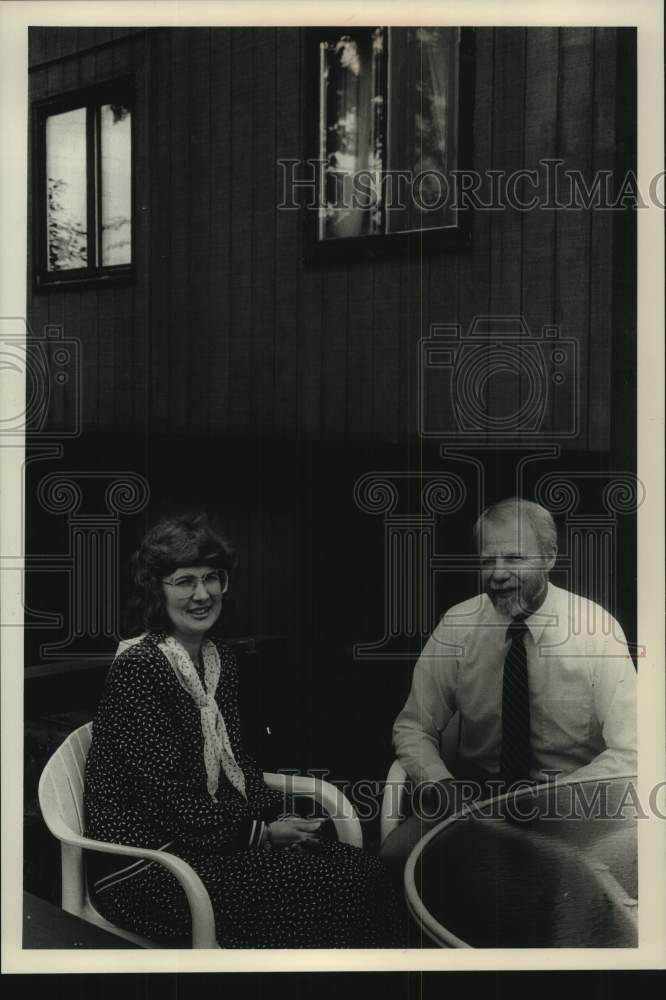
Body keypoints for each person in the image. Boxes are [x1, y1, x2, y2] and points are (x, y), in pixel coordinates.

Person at [84, 512, 403, 947]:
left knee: (367, 872)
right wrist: (262, 834)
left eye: (212, 578)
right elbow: (170, 803)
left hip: (207, 848)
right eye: (184, 581)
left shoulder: (219, 661)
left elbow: (239, 762)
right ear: (156, 589)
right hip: (148, 868)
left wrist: (275, 815)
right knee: (336, 889)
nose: (202, 594)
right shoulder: (140, 668)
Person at [381, 497, 637, 867]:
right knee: (391, 860)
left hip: (571, 802)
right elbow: (412, 727)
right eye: (488, 560)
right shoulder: (459, 625)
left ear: (549, 557)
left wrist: (554, 798)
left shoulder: (595, 630)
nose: (498, 575)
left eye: (514, 558)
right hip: (473, 802)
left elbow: (633, 749)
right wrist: (443, 785)